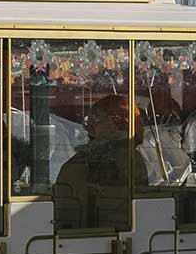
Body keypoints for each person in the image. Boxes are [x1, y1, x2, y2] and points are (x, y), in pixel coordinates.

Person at [54, 94, 142, 231]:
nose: (88, 126)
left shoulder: (118, 156)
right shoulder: (114, 152)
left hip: (101, 228)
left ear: (114, 122)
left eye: (96, 119)